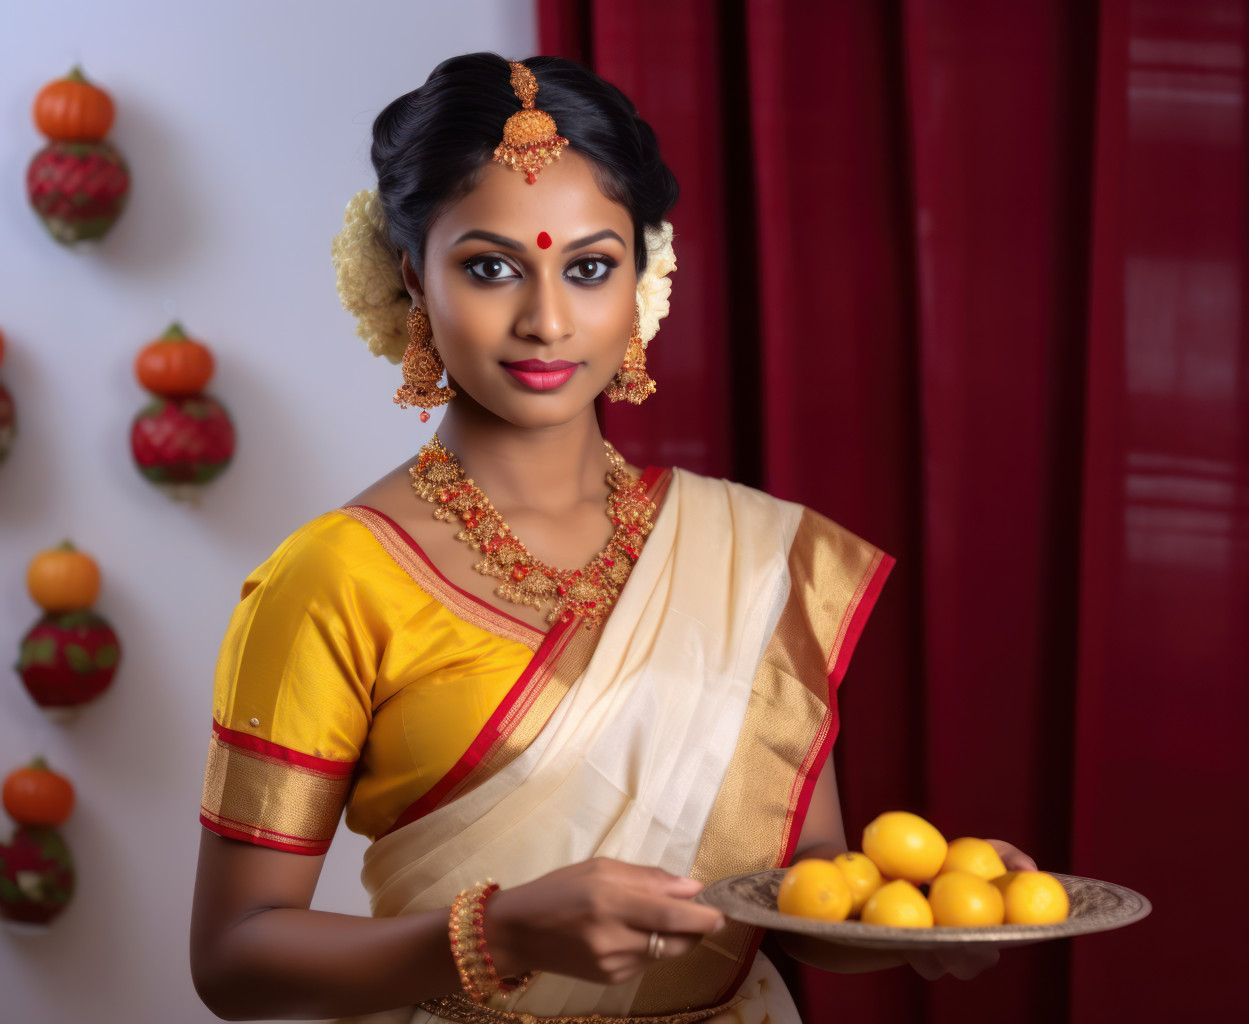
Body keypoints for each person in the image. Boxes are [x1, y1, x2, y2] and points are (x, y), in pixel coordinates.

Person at [189, 53, 1033, 1024]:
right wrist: (496, 933)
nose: (547, 319)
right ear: (407, 280)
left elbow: (789, 891)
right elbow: (232, 958)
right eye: (490, 266)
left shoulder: (749, 557)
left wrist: (911, 918)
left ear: (644, 277)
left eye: (588, 267)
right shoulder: (332, 578)